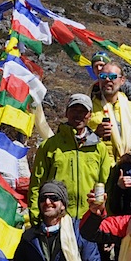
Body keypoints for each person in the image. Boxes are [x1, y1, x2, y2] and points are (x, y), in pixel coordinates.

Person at [29, 94, 113, 223]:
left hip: (89, 219)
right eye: (74, 110)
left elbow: (106, 185)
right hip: (57, 219)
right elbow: (36, 185)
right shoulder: (49, 146)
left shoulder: (99, 148)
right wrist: (36, 218)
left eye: (83, 111)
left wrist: (104, 219)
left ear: (90, 115)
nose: (78, 115)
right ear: (66, 112)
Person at [89, 62, 131, 160]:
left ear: (122, 80)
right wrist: (95, 134)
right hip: (98, 167)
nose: (107, 79)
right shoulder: (89, 108)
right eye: (103, 76)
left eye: (112, 76)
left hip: (126, 167)